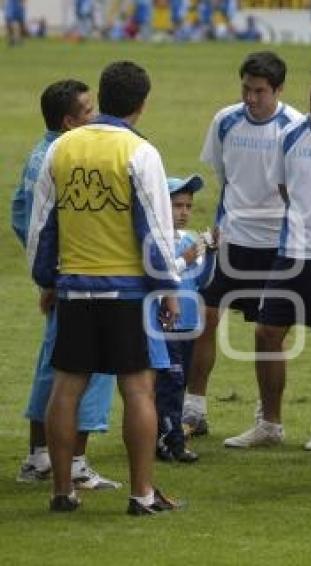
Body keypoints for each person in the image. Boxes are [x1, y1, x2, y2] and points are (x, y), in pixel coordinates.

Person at [28, 61, 183, 514]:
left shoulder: (62, 148)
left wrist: (48, 279)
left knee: (66, 388)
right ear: (141, 103)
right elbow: (155, 227)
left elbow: (43, 226)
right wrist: (169, 288)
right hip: (128, 292)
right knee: (137, 390)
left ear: (102, 95)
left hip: (75, 287)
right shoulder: (140, 151)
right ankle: (141, 495)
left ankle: (62, 491)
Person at [227, 58, 311, 450]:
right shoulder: (289, 135)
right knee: (267, 331)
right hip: (291, 253)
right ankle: (270, 422)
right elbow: (286, 190)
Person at [184, 51, 303, 439]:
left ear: (278, 90)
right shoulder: (225, 121)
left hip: (277, 246)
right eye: (246, 89)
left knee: (268, 335)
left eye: (260, 91)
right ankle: (194, 409)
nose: (251, 98)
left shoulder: (295, 127)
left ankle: (270, 421)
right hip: (233, 239)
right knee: (205, 317)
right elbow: (223, 176)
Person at [12, 79, 121, 490]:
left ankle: (39, 457)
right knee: (85, 371)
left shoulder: (38, 154)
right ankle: (72, 462)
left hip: (59, 277)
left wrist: (44, 270)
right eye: (88, 110)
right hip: (77, 280)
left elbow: (20, 214)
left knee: (52, 368)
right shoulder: (61, 158)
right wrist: (56, 275)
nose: (95, 116)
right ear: (68, 120)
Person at [155, 174, 216, 463]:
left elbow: (203, 281)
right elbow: (157, 277)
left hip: (190, 324)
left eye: (188, 206)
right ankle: (172, 443)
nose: (184, 212)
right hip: (166, 325)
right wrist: (186, 259)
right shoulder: (156, 240)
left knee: (177, 383)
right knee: (171, 383)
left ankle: (163, 437)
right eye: (177, 205)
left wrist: (212, 254)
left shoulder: (190, 239)